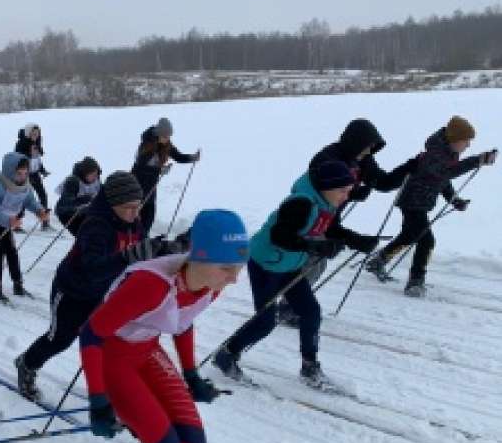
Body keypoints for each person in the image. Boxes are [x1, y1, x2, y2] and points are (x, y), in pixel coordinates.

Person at [79, 209, 249, 443]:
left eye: (239, 268)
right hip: (112, 358)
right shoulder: (150, 284)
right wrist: (98, 401)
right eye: (227, 268)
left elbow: (184, 320)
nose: (234, 279)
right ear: (200, 257)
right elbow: (91, 335)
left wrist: (191, 375)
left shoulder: (211, 285)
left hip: (146, 352)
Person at [212, 161, 380, 388]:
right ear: (327, 188)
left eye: (348, 191)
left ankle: (310, 366)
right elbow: (279, 236)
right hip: (267, 264)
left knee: (310, 312)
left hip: (290, 265)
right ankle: (227, 354)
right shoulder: (300, 203)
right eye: (343, 191)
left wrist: (356, 240)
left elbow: (327, 229)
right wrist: (315, 247)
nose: (346, 196)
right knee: (265, 322)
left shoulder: (325, 204)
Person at [16, 171, 180, 401]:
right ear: (113, 204)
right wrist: (128, 256)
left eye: (138, 206)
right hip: (73, 291)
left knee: (107, 342)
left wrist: (161, 249)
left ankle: (111, 390)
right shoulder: (95, 226)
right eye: (129, 207)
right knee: (60, 340)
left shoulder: (133, 222)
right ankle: (27, 364)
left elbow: (140, 251)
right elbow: (93, 270)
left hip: (104, 292)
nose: (135, 213)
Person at [278, 118, 415, 326]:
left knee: (318, 263)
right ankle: (287, 305)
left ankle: (291, 303)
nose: (369, 153)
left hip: (331, 213)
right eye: (367, 147)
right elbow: (322, 192)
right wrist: (352, 196)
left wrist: (409, 168)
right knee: (310, 260)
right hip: (310, 214)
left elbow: (384, 182)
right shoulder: (327, 159)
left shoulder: (362, 160)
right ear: (356, 142)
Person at [366, 116, 497, 297]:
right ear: (455, 139)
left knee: (409, 236)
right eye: (466, 141)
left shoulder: (448, 154)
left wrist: (455, 200)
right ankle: (415, 282)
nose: (468, 145)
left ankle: (378, 261)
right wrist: (478, 160)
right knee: (427, 240)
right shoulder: (435, 154)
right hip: (412, 202)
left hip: (419, 202)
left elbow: (442, 180)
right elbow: (448, 171)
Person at [0, 152, 49, 302]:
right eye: (19, 173)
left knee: (12, 251)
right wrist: (8, 220)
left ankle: (18, 285)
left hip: (7, 220)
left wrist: (39, 210)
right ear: (10, 171)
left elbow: (29, 201)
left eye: (25, 173)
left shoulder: (26, 185)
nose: (22, 176)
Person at [131, 117, 200, 233]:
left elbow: (178, 156)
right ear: (159, 134)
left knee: (150, 214)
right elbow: (141, 167)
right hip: (138, 183)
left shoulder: (166, 144)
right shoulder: (147, 145)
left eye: (169, 136)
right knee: (138, 213)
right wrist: (160, 170)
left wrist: (192, 158)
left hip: (151, 184)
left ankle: (143, 237)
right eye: (166, 136)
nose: (168, 138)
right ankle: (135, 238)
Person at [14, 123, 52, 231]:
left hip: (35, 174)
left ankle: (45, 222)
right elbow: (18, 160)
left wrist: (42, 170)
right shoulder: (21, 144)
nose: (36, 135)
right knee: (23, 199)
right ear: (28, 133)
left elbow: (37, 160)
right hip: (24, 175)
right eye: (33, 133)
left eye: (37, 133)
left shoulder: (37, 144)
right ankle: (16, 224)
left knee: (43, 195)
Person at [53, 156, 101, 236]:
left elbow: (100, 196)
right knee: (84, 235)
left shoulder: (96, 181)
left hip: (83, 211)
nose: (95, 177)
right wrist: (85, 202)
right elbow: (67, 203)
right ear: (85, 173)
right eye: (92, 175)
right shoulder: (73, 181)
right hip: (66, 213)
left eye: (96, 174)